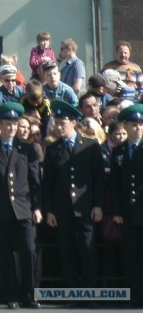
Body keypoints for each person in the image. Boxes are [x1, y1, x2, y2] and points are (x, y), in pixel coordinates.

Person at [0, 103, 42, 309]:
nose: (12, 128)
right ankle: (12, 294)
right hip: (2, 209)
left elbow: (35, 182)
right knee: (5, 254)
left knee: (28, 249)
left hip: (24, 207)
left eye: (15, 124)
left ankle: (29, 293)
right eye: (8, 124)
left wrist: (37, 207)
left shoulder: (27, 148)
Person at [42, 99, 104, 290]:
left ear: (73, 122)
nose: (58, 126)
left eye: (62, 123)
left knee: (87, 249)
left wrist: (97, 205)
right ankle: (71, 292)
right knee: (66, 251)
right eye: (56, 122)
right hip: (63, 208)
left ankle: (90, 291)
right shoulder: (53, 148)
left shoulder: (90, 145)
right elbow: (48, 183)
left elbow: (98, 178)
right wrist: (50, 210)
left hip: (85, 207)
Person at [110, 103, 143, 307]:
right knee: (132, 256)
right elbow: (115, 183)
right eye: (133, 124)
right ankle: (136, 294)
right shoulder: (119, 151)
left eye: (140, 124)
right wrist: (117, 211)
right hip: (128, 211)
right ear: (126, 127)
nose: (137, 128)